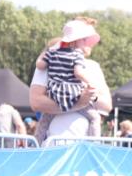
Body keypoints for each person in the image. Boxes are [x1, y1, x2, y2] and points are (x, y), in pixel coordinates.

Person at [29, 16, 112, 145]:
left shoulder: (94, 66)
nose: (91, 43)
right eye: (86, 39)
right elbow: (36, 102)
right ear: (76, 40)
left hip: (84, 152)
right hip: (54, 148)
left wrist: (79, 100)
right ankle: (34, 150)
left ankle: (95, 148)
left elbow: (106, 105)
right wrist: (79, 102)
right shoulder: (51, 61)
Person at [35, 20, 97, 112]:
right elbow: (78, 73)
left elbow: (40, 65)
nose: (86, 43)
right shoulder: (77, 54)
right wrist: (90, 82)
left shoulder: (52, 53)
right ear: (76, 40)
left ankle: (42, 126)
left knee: (46, 119)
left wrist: (43, 53)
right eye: (84, 40)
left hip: (54, 93)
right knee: (94, 117)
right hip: (72, 93)